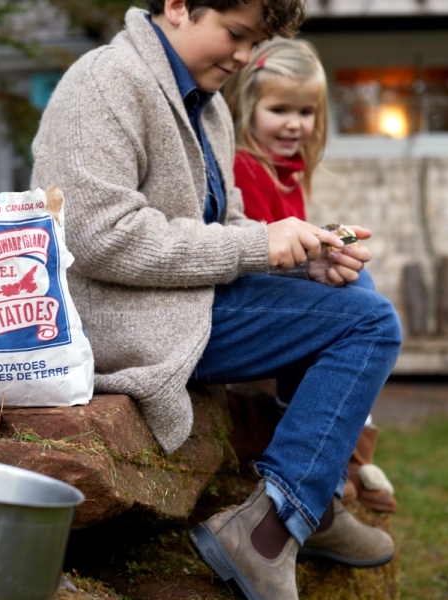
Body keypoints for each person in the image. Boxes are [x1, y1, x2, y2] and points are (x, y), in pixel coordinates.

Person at [30, 0, 402, 598]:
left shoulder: (211, 110)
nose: (244, 57)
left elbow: (221, 223)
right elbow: (97, 236)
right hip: (123, 316)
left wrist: (308, 258)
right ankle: (271, 531)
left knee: (353, 288)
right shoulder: (103, 83)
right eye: (234, 35)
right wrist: (260, 241)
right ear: (177, 5)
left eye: (253, 43)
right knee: (369, 324)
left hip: (182, 297)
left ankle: (312, 502)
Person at [223, 38, 398, 514]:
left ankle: (350, 455)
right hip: (250, 303)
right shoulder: (244, 168)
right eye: (279, 109)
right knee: (358, 302)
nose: (295, 123)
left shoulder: (289, 173)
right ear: (247, 106)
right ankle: (342, 457)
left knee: (353, 282)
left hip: (279, 294)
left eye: (307, 111)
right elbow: (255, 255)